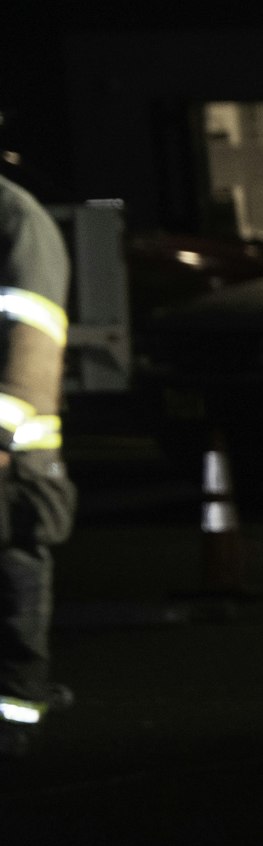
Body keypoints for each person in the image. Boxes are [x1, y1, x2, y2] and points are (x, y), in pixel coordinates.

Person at [0, 169, 77, 758]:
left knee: (16, 574)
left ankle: (18, 714)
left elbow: (33, 338)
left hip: (15, 457)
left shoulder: (18, 221)